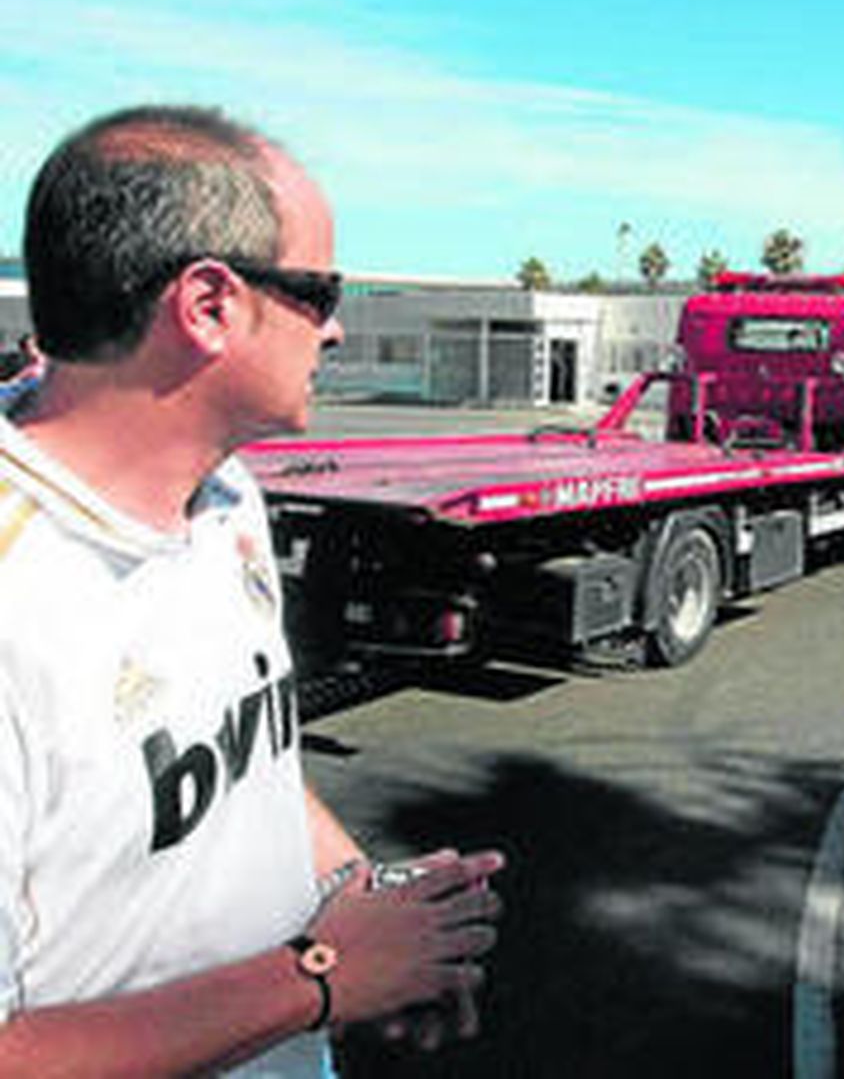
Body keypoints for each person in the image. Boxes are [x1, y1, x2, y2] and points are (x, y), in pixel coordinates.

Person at [0, 107, 505, 1076]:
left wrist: (369, 906)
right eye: (321, 291)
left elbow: (248, 763)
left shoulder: (226, 492)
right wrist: (323, 975)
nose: (340, 324)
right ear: (209, 305)